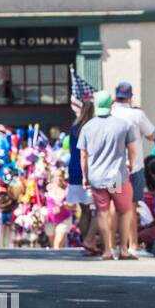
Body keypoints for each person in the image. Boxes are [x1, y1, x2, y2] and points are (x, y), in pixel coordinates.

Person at [78, 90, 140, 260]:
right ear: (111, 105)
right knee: (124, 211)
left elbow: (83, 155)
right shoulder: (123, 125)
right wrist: (130, 164)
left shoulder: (87, 127)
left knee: (102, 212)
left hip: (97, 177)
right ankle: (123, 250)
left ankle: (107, 250)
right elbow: (132, 149)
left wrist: (85, 176)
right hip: (116, 177)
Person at [111, 81, 155, 207]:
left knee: (115, 206)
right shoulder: (137, 114)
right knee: (134, 207)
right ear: (130, 97)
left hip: (113, 169)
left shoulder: (109, 114)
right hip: (134, 167)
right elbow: (152, 135)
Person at [67, 100, 100, 254]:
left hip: (74, 169)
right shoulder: (92, 129)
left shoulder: (74, 128)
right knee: (94, 210)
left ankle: (86, 242)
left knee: (83, 210)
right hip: (87, 170)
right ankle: (89, 242)